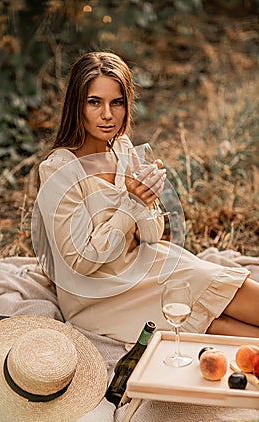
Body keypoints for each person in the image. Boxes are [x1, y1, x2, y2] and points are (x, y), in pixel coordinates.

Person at [33, 51, 259, 344]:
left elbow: (152, 236)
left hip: (143, 267)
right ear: (76, 105)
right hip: (98, 294)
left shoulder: (122, 148)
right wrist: (130, 204)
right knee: (216, 322)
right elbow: (79, 261)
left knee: (224, 288)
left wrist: (148, 199)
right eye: (94, 102)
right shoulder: (59, 171)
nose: (107, 115)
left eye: (117, 103)